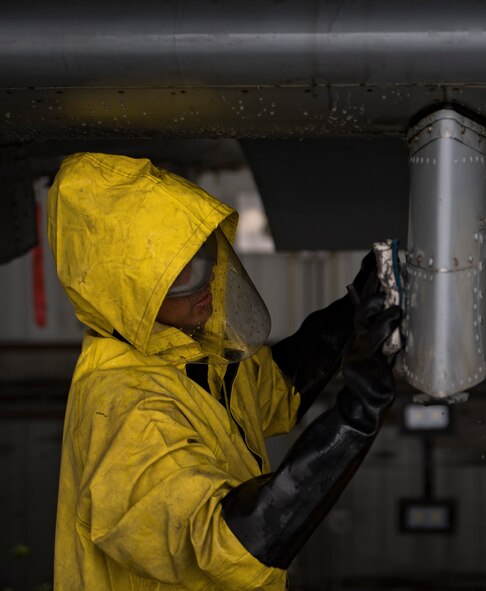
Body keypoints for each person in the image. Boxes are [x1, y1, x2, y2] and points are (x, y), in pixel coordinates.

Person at [47, 152, 402, 590]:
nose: (207, 278)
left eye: (205, 254)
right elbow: (227, 545)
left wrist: (354, 310)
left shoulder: (180, 353)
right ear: (126, 289)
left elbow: (271, 394)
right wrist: (358, 413)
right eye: (177, 275)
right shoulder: (128, 410)